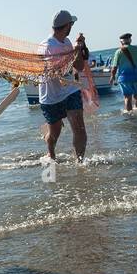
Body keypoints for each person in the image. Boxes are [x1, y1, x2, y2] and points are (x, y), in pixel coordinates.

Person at [38, 10, 90, 162]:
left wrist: (78, 49)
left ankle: (80, 163)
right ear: (67, 26)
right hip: (51, 96)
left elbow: (79, 67)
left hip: (70, 91)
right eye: (71, 24)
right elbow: (56, 72)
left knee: (79, 128)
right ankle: (51, 154)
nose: (72, 27)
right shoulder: (46, 46)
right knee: (54, 133)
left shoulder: (67, 43)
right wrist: (71, 53)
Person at [110, 32, 137, 111]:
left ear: (121, 42)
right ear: (130, 40)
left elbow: (114, 67)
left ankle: (130, 116)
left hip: (124, 79)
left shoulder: (118, 52)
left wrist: (112, 77)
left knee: (127, 97)